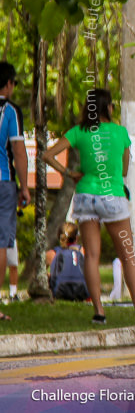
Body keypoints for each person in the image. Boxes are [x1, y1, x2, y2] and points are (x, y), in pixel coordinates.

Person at [42, 89, 135, 324]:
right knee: (127, 256)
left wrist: (68, 173)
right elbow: (125, 170)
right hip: (113, 196)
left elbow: (47, 154)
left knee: (92, 257)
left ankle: (99, 312)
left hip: (85, 195)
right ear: (109, 108)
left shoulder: (79, 132)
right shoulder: (120, 132)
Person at [0, 61, 28, 322]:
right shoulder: (10, 111)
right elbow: (18, 151)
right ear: (8, 83)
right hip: (3, 182)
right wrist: (25, 187)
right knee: (1, 243)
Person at [48, 222, 89, 302]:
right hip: (82, 291)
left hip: (60, 291)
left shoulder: (52, 253)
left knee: (47, 275)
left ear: (58, 236)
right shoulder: (83, 251)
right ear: (76, 238)